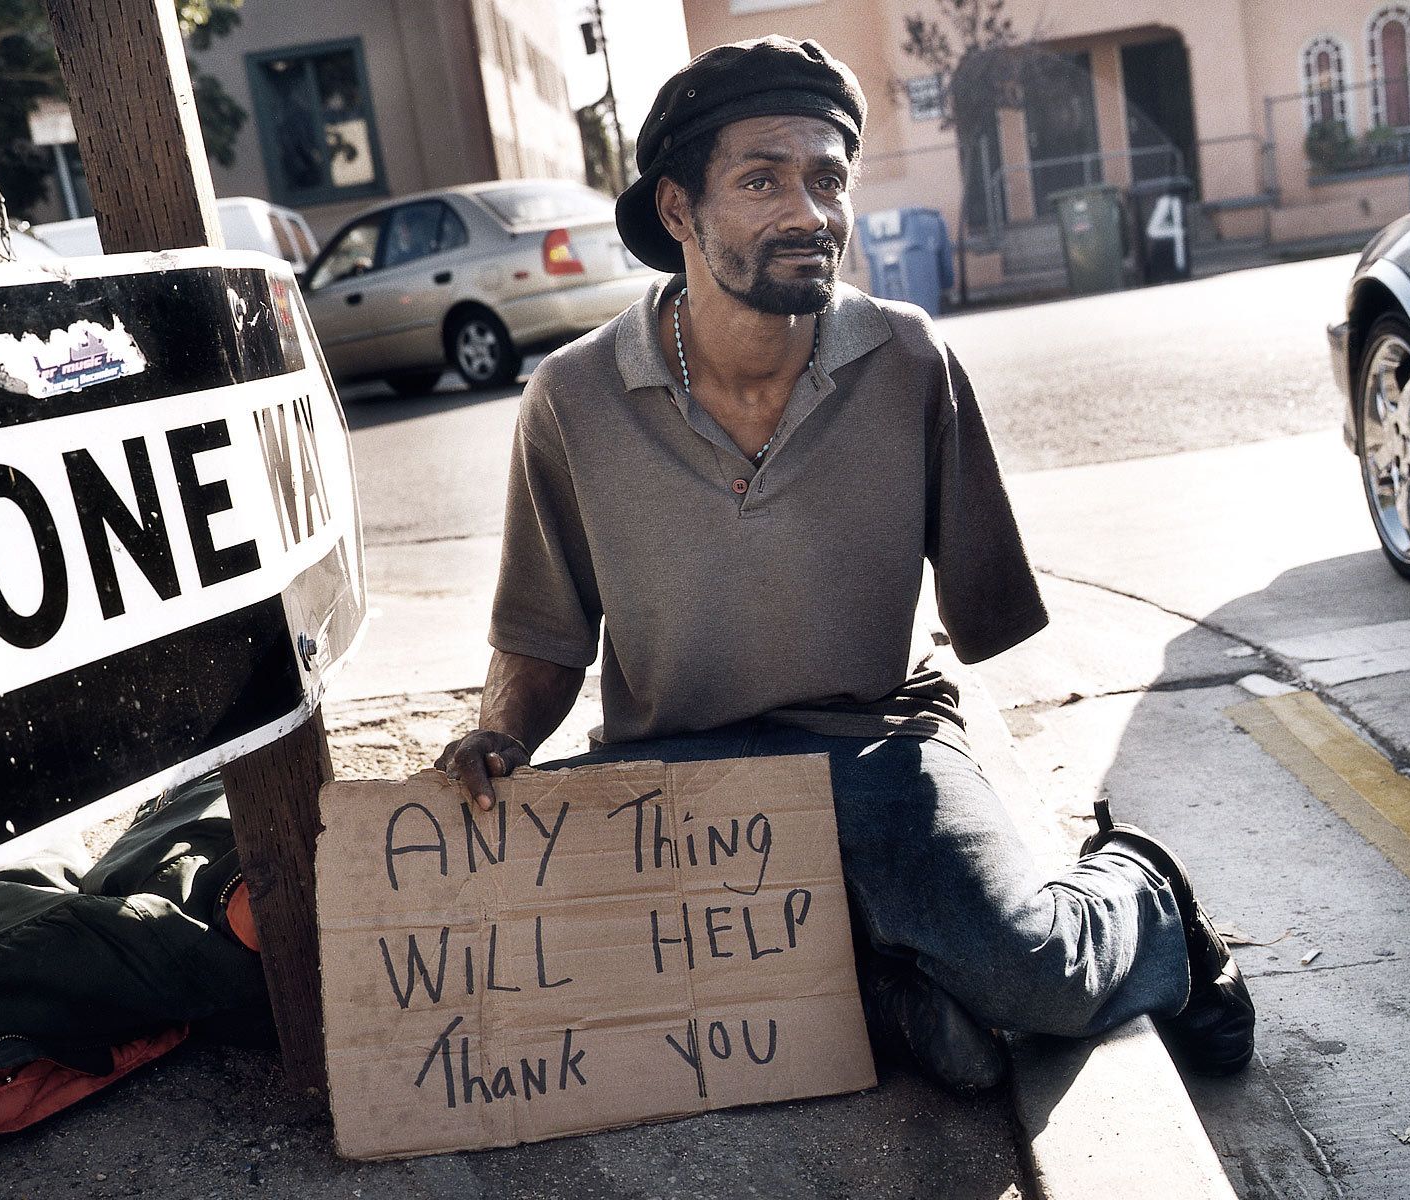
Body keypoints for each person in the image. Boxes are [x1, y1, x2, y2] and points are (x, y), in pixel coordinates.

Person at [437, 36, 1252, 1092]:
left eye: (827, 180)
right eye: (762, 179)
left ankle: (1141, 898)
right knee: (538, 969)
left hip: (876, 752)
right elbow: (544, 639)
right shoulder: (573, 399)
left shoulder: (909, 359)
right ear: (679, 211)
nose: (807, 212)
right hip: (682, 778)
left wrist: (952, 857)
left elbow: (985, 618)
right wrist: (500, 737)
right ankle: (883, 988)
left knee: (1033, 982)